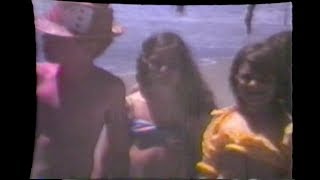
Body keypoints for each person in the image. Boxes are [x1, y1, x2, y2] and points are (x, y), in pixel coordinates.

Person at [33, 2, 130, 178]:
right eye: (47, 33)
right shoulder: (40, 77)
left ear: (89, 46)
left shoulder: (109, 89)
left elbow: (118, 151)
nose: (45, 38)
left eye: (56, 36)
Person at [196, 31, 292, 179]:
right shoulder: (223, 121)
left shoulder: (285, 127)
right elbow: (208, 168)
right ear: (235, 80)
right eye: (247, 78)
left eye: (264, 80)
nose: (254, 84)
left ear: (277, 85)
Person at [126, 32, 217, 177]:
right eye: (156, 63)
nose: (164, 70)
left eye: (173, 64)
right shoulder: (131, 104)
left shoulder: (195, 105)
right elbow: (112, 153)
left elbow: (206, 157)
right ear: (145, 63)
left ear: (183, 67)